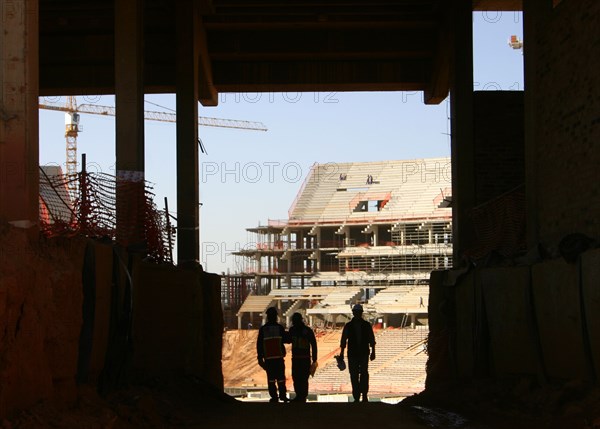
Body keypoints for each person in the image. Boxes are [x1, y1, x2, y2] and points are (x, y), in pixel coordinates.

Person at [339, 304, 376, 403]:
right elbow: (343, 341)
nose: (357, 314)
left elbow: (371, 339)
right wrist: (342, 353)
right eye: (356, 312)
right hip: (354, 354)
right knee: (354, 375)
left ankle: (363, 394)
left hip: (362, 353)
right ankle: (357, 396)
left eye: (358, 312)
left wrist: (373, 352)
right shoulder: (350, 326)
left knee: (363, 374)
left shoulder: (364, 325)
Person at [257, 306, 289, 403]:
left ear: (267, 317)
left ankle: (274, 397)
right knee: (281, 379)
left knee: (271, 380)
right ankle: (282, 396)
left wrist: (260, 358)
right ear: (275, 316)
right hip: (278, 358)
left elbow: (259, 345)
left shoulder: (263, 329)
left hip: (268, 359)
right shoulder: (279, 328)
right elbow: (286, 339)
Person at [286, 312, 318, 403]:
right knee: (298, 378)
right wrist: (314, 358)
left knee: (301, 378)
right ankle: (300, 396)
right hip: (299, 358)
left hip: (302, 358)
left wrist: (315, 359)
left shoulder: (304, 330)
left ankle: (302, 396)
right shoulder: (303, 330)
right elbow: (314, 344)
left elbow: (313, 344)